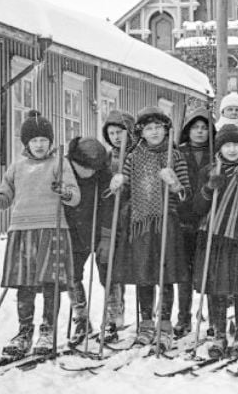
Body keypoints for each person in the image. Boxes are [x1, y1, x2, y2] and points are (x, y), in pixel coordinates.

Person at [0, 110, 80, 356]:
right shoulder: (16, 167)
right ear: (26, 143)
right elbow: (4, 200)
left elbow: (75, 197)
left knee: (50, 282)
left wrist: (64, 192)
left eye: (43, 140)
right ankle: (24, 332)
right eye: (33, 141)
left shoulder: (59, 163)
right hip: (22, 230)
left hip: (52, 228)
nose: (39, 145)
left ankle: (47, 332)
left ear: (50, 142)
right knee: (24, 283)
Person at [109, 106, 191, 349]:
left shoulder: (174, 156)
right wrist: (119, 183)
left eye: (158, 127)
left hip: (167, 221)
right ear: (141, 132)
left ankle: (164, 325)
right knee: (144, 276)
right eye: (148, 128)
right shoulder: (133, 157)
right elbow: (124, 194)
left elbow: (186, 194)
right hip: (141, 225)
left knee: (165, 276)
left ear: (166, 130)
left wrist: (174, 183)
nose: (154, 132)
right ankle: (145, 324)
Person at [191, 124, 238, 358]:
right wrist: (208, 188)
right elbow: (197, 208)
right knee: (216, 286)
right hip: (213, 236)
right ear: (220, 147)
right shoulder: (209, 171)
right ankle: (219, 334)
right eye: (227, 145)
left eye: (236, 145)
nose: (231, 149)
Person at [64, 137, 113, 346]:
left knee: (108, 275)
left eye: (92, 168)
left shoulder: (104, 175)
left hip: (99, 230)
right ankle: (81, 318)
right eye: (83, 167)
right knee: (71, 274)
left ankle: (112, 319)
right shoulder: (64, 170)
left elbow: (111, 207)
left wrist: (107, 237)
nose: (88, 172)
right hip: (74, 232)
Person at [173, 106, 213, 337]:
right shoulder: (178, 153)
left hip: (209, 218)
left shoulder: (216, 152)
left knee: (208, 270)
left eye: (204, 128)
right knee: (184, 271)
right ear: (187, 130)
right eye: (195, 128)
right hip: (183, 218)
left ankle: (211, 318)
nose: (199, 132)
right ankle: (183, 316)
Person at [99, 109, 135, 337]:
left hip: (133, 216)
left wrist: (127, 180)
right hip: (109, 217)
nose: (116, 137)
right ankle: (114, 311)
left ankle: (150, 317)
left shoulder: (139, 153)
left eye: (120, 132)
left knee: (134, 265)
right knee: (106, 264)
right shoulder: (105, 158)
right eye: (111, 133)